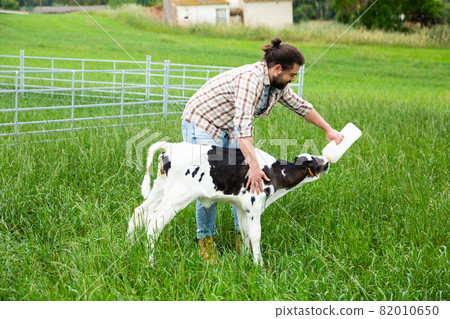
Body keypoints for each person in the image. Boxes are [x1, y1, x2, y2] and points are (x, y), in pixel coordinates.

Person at [181, 37, 343, 262]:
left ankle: (244, 238)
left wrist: (328, 129)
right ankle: (206, 241)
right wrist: (254, 165)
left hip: (229, 127)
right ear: (277, 69)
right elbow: (243, 126)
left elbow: (301, 107)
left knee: (242, 182)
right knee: (210, 184)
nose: (292, 80)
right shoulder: (251, 81)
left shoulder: (278, 85)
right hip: (203, 123)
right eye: (292, 75)